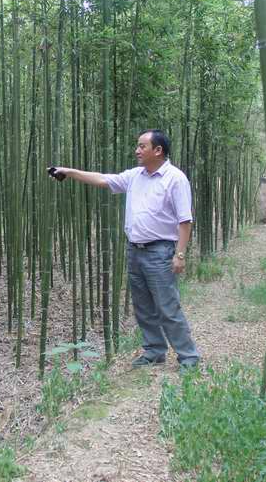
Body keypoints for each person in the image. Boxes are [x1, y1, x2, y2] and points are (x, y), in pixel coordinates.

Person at [49, 129, 199, 369]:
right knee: (143, 306)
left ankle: (188, 356)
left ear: (158, 150)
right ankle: (154, 351)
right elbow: (103, 179)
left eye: (142, 146)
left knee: (168, 306)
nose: (137, 150)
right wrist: (70, 172)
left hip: (160, 251)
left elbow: (185, 221)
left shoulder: (175, 178)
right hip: (135, 251)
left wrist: (180, 255)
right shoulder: (135, 176)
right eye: (137, 146)